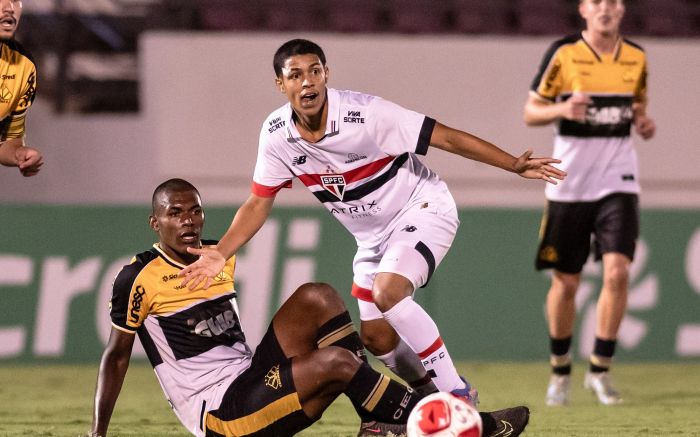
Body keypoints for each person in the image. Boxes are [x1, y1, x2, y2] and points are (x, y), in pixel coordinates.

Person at [180, 38, 561, 422]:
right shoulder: (277, 135)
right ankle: (430, 401)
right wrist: (222, 250)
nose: (308, 82)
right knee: (377, 339)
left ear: (327, 74)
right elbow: (258, 201)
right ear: (281, 85)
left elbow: (446, 137)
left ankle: (458, 398)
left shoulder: (366, 114)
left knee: (388, 293)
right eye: (296, 75)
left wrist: (513, 165)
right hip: (371, 239)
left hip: (423, 208)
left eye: (315, 71)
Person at [88, 178, 530, 437]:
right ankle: (459, 426)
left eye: (195, 212)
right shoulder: (138, 277)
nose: (188, 220)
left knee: (317, 295)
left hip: (247, 377)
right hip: (220, 413)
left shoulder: (217, 254)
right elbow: (117, 355)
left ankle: (377, 424)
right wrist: (98, 434)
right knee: (338, 362)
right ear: (155, 222)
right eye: (175, 213)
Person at [523, 0, 655, 407]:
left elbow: (638, 109)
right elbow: (530, 111)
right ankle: (560, 370)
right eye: (597, 1)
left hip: (618, 180)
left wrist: (643, 122)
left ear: (622, 10)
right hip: (570, 183)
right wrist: (563, 107)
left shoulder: (636, 57)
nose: (606, 9)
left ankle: (600, 369)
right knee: (567, 282)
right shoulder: (564, 53)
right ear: (583, 9)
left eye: (613, 2)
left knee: (617, 272)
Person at [0, 0, 42, 177]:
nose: (9, 8)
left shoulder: (24, 66)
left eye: (15, 0)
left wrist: (18, 154)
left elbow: (8, 140)